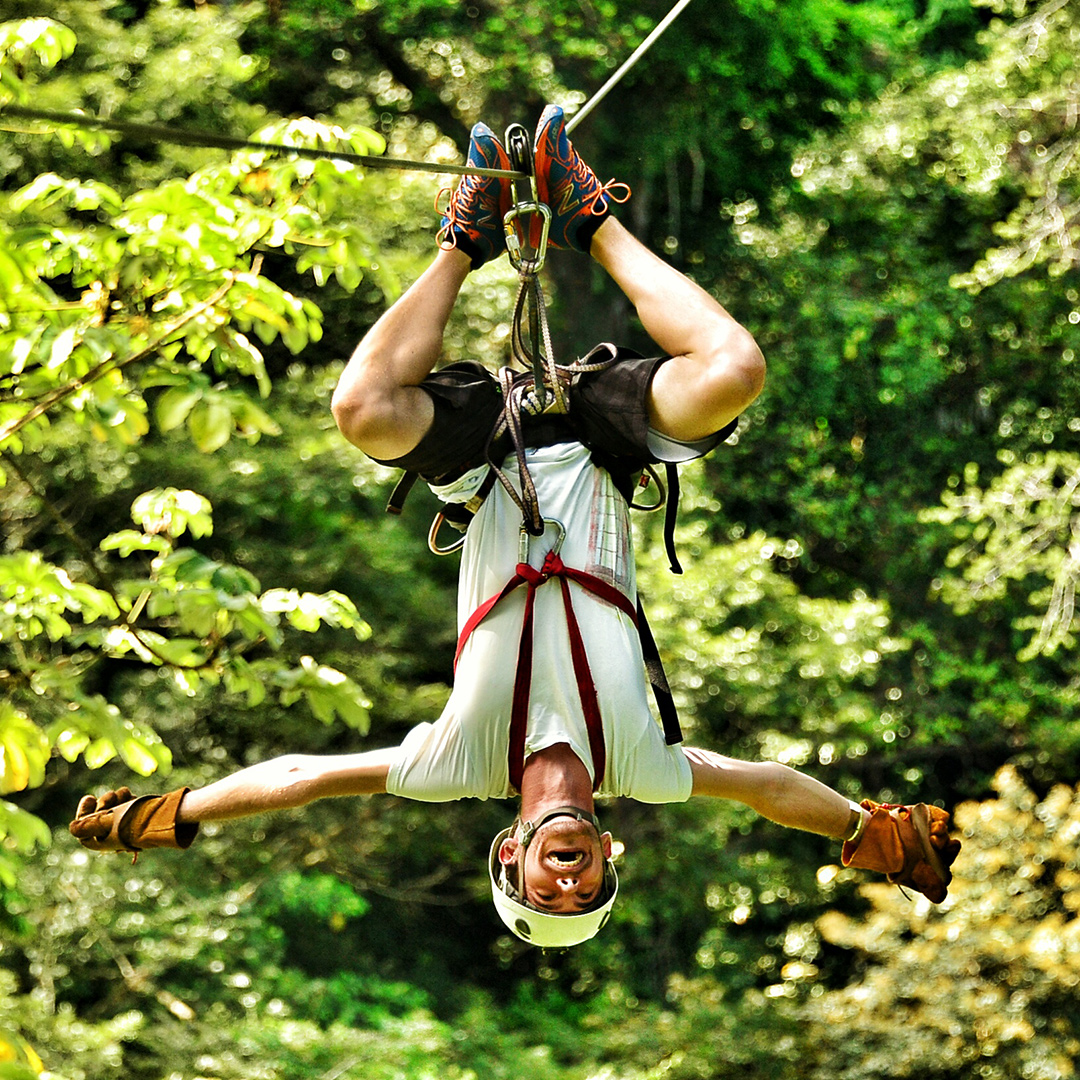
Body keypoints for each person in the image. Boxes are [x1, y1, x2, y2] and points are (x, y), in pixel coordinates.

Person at [70, 107, 961, 949]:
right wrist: (862, 828)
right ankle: (587, 217)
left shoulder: (451, 765)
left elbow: (301, 778)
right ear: (613, 857)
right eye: (587, 891)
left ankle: (465, 235)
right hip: (610, 448)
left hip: (487, 463)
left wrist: (180, 814)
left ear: (511, 857)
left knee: (363, 409)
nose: (568, 882)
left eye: (547, 892)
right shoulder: (644, 769)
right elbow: (765, 788)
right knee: (735, 371)